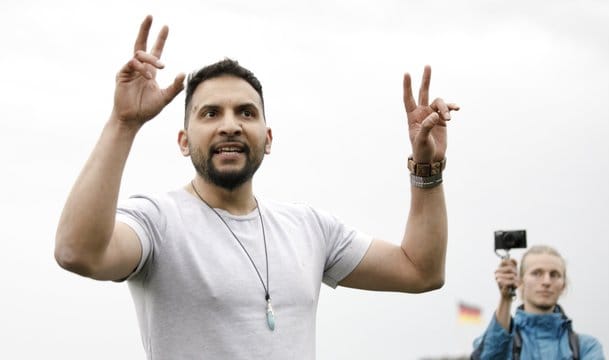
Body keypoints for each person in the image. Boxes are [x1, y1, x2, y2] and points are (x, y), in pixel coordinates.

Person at [54, 15, 459, 359]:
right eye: (210, 113)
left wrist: (427, 165)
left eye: (245, 112)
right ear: (183, 141)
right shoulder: (158, 222)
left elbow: (420, 270)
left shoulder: (309, 227)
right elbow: (78, 252)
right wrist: (123, 123)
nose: (229, 124)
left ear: (267, 137)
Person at [471, 245, 604, 359]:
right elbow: (489, 356)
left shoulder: (586, 347)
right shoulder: (500, 342)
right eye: (536, 273)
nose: (546, 281)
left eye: (554, 274)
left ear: (563, 285)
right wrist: (505, 298)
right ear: (520, 281)